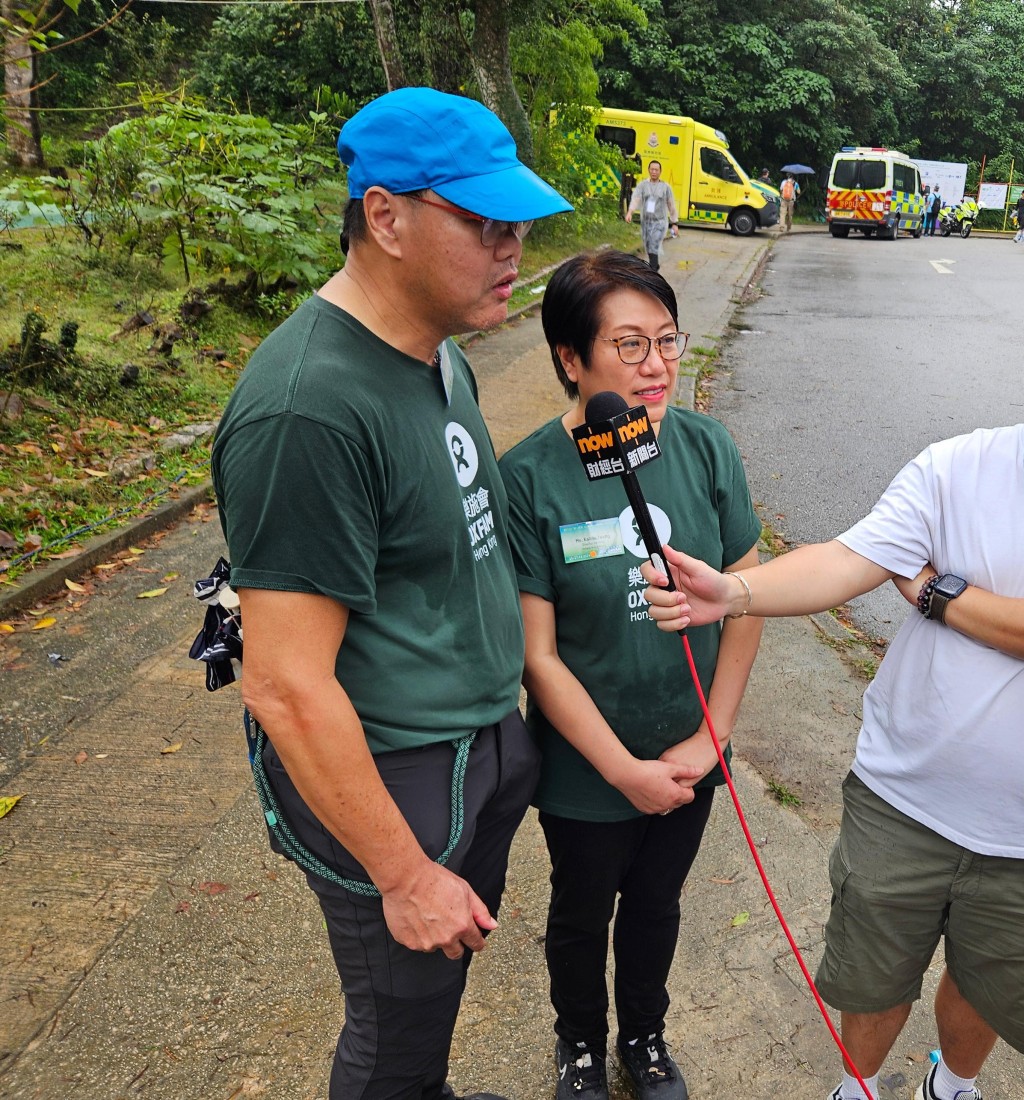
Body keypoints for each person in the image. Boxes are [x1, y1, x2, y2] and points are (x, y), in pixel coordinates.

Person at [211, 86, 572, 1100]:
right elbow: (283, 685)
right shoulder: (308, 410)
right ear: (385, 215)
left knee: (430, 1001)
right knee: (393, 1022)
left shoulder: (435, 349)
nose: (512, 249)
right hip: (395, 771)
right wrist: (405, 873)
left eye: (518, 227)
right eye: (482, 225)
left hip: (477, 742)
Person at [642, 425, 1024, 1100]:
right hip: (903, 797)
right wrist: (733, 593)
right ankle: (859, 1088)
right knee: (872, 976)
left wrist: (941, 596)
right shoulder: (959, 466)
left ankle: (952, 1086)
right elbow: (848, 559)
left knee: (988, 981)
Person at [498, 250, 763, 1100]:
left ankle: (644, 1038)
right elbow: (538, 656)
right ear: (571, 360)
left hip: (689, 749)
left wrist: (710, 735)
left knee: (657, 903)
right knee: (582, 913)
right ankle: (579, 1043)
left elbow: (745, 600)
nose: (656, 367)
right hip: (587, 769)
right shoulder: (528, 477)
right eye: (629, 346)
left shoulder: (705, 447)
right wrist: (620, 770)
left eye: (667, 341)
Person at [625, 160, 679, 271]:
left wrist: (674, 223)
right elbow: (636, 199)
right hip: (646, 222)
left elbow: (671, 205)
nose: (654, 172)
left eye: (656, 170)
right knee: (649, 245)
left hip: (659, 222)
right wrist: (630, 212)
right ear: (649, 170)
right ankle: (654, 265)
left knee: (654, 243)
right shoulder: (643, 186)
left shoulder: (665, 187)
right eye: (652, 169)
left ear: (660, 171)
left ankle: (653, 269)